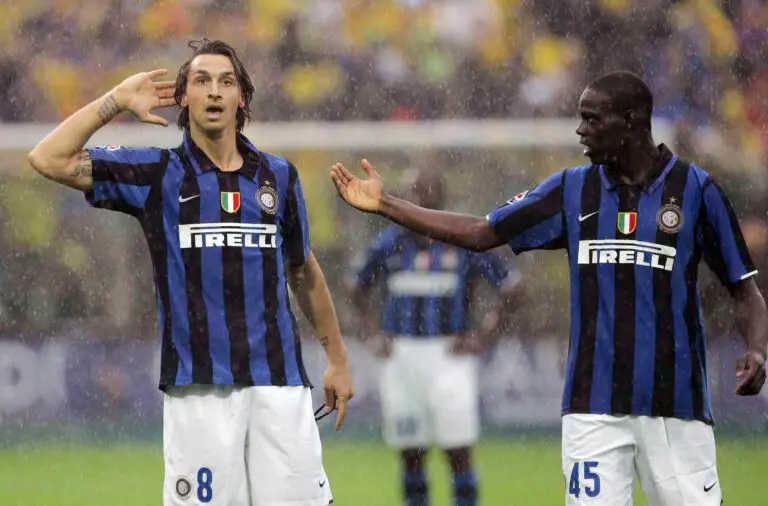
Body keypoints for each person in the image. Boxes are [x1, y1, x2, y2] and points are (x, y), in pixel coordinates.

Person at [330, 70, 768, 506]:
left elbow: (744, 289)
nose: (580, 130)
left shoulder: (696, 191)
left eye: (592, 119)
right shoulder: (571, 190)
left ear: (631, 121)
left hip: (676, 407)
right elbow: (482, 232)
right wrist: (386, 205)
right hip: (592, 408)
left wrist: (757, 348)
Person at [28, 38, 353, 506]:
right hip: (199, 393)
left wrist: (337, 359)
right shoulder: (157, 173)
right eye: (202, 81)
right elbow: (48, 158)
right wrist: (116, 100)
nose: (214, 91)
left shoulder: (279, 177)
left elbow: (303, 271)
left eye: (226, 81)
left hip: (280, 386)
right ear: (183, 97)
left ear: (242, 98)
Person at [347, 169, 522, 506]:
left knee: (458, 450)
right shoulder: (389, 242)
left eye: (427, 192)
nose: (420, 198)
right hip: (402, 354)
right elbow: (355, 287)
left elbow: (512, 287)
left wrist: (484, 337)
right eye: (414, 192)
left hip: (449, 355)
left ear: (441, 199)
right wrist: (371, 334)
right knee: (411, 452)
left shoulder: (462, 241)